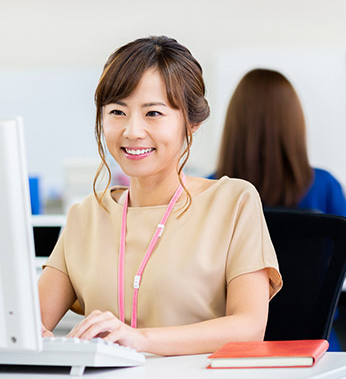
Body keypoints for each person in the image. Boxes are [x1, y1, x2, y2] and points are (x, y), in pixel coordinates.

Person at [38, 36, 282, 356]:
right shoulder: (86, 216)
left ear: (191, 122)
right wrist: (33, 336)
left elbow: (249, 327)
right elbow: (25, 321)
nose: (132, 131)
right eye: (117, 111)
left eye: (153, 113)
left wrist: (140, 339)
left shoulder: (233, 201)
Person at [212, 69, 346, 352]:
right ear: (295, 124)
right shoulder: (325, 185)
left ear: (234, 125)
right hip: (313, 351)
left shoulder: (211, 189)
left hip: (231, 351)